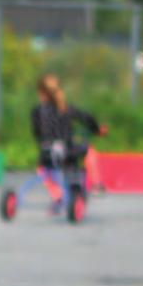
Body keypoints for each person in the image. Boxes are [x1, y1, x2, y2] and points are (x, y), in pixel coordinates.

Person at [31, 74, 103, 202]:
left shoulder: (36, 112)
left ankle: (57, 195)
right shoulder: (66, 109)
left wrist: (44, 144)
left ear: (40, 93)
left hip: (47, 153)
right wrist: (97, 130)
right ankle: (96, 185)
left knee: (42, 168)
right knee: (89, 150)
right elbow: (87, 118)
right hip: (67, 150)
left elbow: (36, 133)